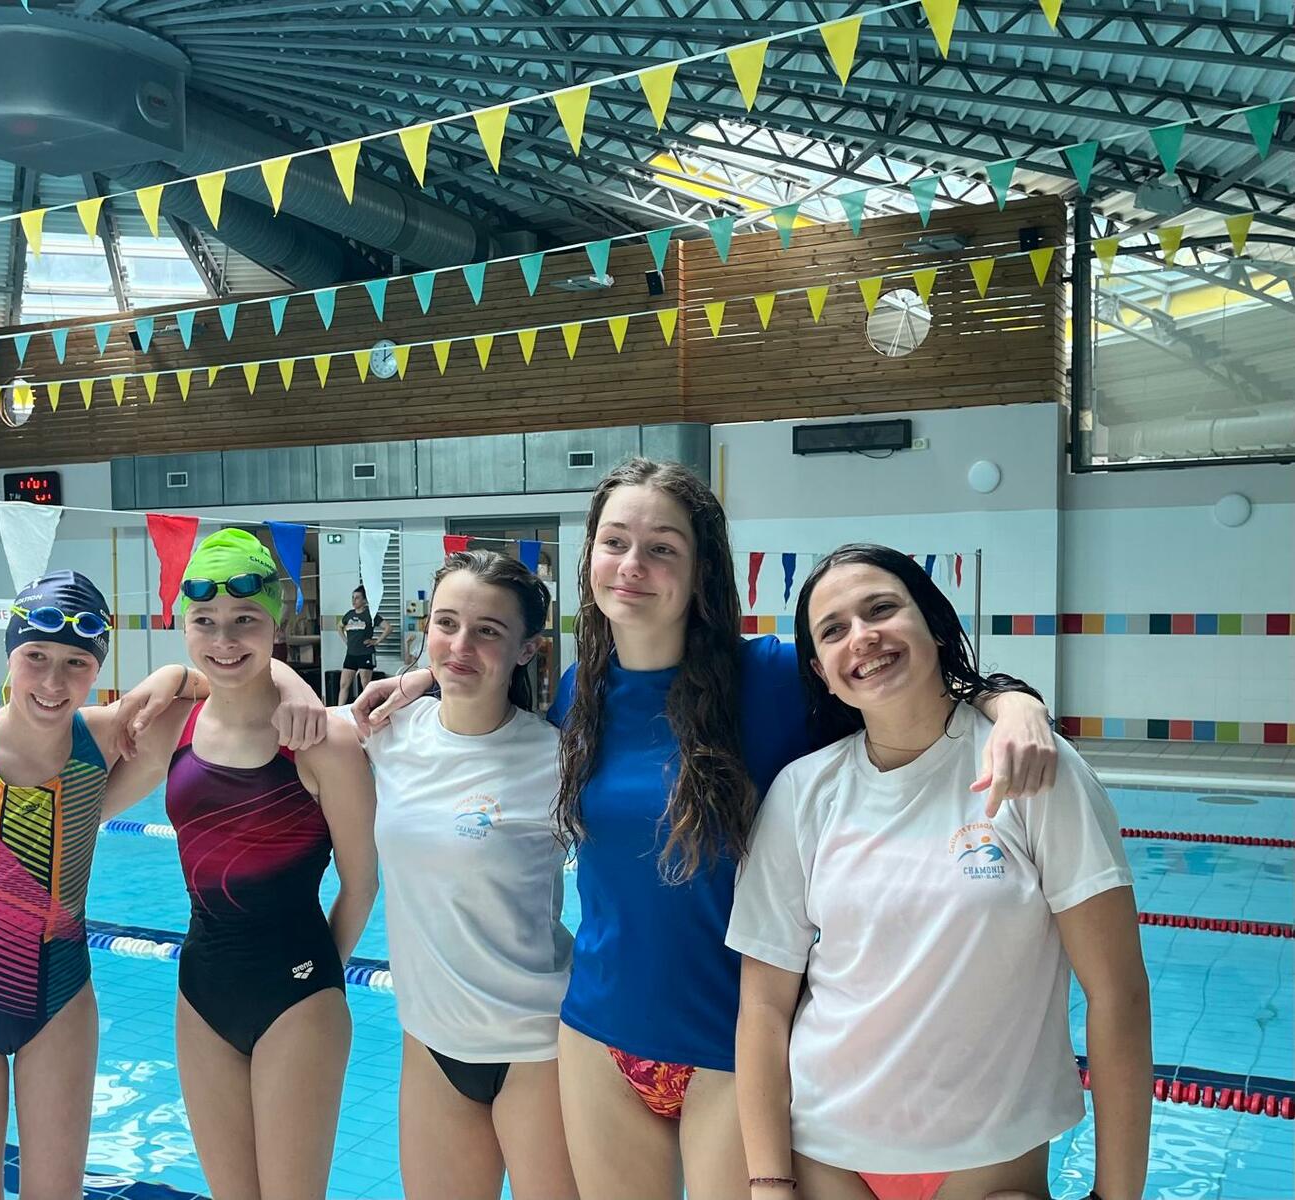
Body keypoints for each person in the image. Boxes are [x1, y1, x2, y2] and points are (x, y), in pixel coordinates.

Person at [355, 459, 1059, 1200]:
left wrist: (1010, 702)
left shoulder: (775, 679)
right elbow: (484, 697)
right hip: (599, 1031)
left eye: (662, 548)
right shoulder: (579, 693)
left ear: (701, 572)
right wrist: (424, 677)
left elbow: (905, 687)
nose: (633, 564)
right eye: (615, 542)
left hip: (734, 1043)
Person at [730, 544, 1151, 1200]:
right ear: (822, 673)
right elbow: (763, 1005)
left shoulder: (1031, 768)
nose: (862, 637)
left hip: (988, 1159)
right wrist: (768, 1181)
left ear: (932, 623)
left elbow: (1118, 994)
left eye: (881, 609)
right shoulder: (803, 792)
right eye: (833, 630)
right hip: (824, 1152)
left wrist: (1116, 1194)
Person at [0, 570, 324, 1198]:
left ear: (97, 670)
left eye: (76, 663)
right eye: (35, 657)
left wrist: (175, 677)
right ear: (10, 654)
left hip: (61, 1006)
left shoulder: (104, 741)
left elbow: (234, 672)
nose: (53, 681)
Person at [99, 529, 378, 1200]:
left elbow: (362, 882)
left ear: (276, 624)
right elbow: (82, 804)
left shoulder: (323, 741)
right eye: (205, 621)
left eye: (245, 620)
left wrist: (317, 977)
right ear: (184, 628)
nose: (224, 639)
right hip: (201, 992)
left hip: (298, 997)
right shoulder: (174, 725)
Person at [344, 550, 577, 1200]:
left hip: (539, 1045)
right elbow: (262, 706)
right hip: (430, 1043)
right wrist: (173, 679)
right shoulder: (385, 733)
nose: (461, 645)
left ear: (527, 649)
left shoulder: (558, 759)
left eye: (488, 631)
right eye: (446, 624)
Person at [337, 584, 386, 703]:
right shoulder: (349, 614)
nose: (354, 600)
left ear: (364, 600)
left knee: (365, 684)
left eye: (357, 598)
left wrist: (377, 641)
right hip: (351, 654)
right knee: (344, 684)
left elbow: (388, 628)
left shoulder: (370, 615)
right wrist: (346, 641)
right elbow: (339, 626)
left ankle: (367, 708)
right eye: (353, 597)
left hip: (365, 653)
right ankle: (338, 709)